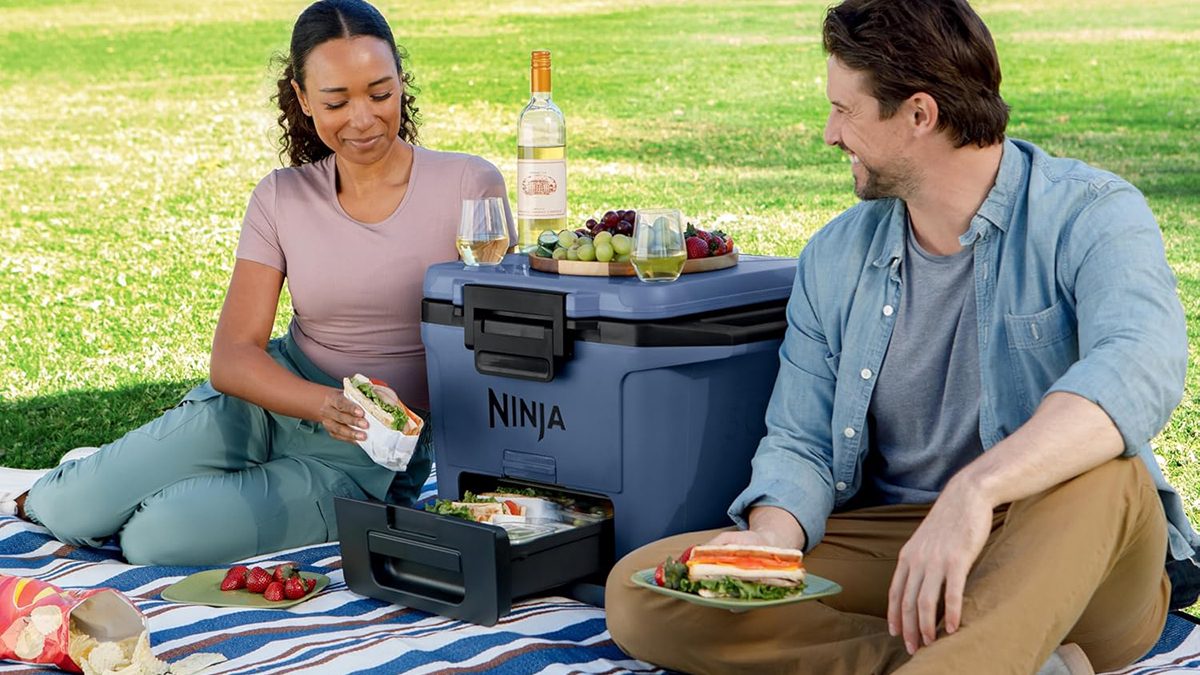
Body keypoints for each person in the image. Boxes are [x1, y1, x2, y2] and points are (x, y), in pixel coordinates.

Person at [605, 0, 1200, 672]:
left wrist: (974, 493)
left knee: (1109, 472)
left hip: (1071, 546)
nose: (829, 133)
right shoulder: (835, 257)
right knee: (646, 588)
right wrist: (770, 538)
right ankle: (996, 661)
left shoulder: (1092, 214)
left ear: (920, 114)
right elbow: (801, 438)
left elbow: (1139, 364)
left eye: (845, 109)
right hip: (905, 545)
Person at [0, 0, 513, 566]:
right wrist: (322, 403)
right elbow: (234, 358)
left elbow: (496, 339)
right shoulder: (281, 196)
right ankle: (78, 484)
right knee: (72, 511)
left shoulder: (469, 183)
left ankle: (153, 482)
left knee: (154, 539)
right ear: (302, 98)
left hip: (366, 452)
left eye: (380, 93)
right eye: (336, 101)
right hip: (268, 402)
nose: (363, 119)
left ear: (401, 83)